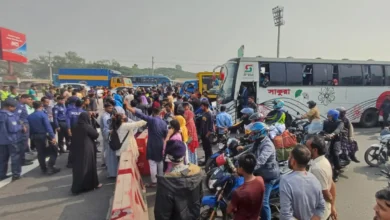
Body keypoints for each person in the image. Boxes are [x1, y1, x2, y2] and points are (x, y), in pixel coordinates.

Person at [236, 122, 279, 220]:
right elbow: (250, 150)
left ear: (261, 133)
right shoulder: (258, 141)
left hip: (268, 176)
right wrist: (236, 157)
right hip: (260, 173)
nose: (252, 134)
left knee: (263, 202)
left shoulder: (268, 145)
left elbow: (260, 162)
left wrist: (244, 170)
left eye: (254, 133)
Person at [154, 140, 203, 220]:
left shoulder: (166, 183)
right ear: (184, 155)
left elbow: (161, 214)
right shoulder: (197, 172)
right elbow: (200, 198)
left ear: (169, 157)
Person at [280, 144, 325, 220]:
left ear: (293, 161)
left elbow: (286, 215)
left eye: (289, 156)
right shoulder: (314, 179)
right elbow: (321, 208)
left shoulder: (285, 181)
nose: (288, 158)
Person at [126, 105, 167, 187]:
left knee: (152, 163)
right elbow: (165, 134)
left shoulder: (152, 120)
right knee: (160, 161)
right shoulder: (164, 122)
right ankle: (161, 179)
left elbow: (140, 115)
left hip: (152, 144)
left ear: (153, 113)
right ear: (160, 113)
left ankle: (154, 182)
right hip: (160, 144)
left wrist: (129, 108)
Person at [306, 136, 338, 220]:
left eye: (307, 147)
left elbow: (326, 193)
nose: (306, 150)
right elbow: (331, 184)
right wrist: (332, 206)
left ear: (315, 150)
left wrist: (331, 205)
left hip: (320, 214)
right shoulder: (323, 160)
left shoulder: (317, 168)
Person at [227, 153, 265, 220]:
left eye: (238, 166)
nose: (237, 167)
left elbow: (229, 210)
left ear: (241, 169)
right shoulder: (260, 180)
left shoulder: (238, 192)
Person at [71, 112, 101, 194]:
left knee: (78, 168)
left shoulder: (75, 125)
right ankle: (90, 185)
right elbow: (95, 135)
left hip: (77, 149)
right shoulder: (87, 126)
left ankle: (78, 187)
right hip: (87, 148)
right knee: (88, 166)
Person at [28, 101, 60, 175]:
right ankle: (50, 167)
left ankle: (43, 168)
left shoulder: (30, 116)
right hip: (44, 135)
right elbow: (48, 126)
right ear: (41, 106)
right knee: (54, 150)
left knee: (40, 153)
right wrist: (53, 137)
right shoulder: (43, 115)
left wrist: (30, 137)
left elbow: (29, 128)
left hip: (35, 136)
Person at [0, 98, 24, 181]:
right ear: (9, 107)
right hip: (12, 140)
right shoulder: (9, 115)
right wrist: (21, 127)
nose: (15, 109)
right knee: (15, 157)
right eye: (14, 107)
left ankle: (1, 174)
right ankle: (16, 174)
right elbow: (13, 128)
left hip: (2, 141)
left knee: (2, 159)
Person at [323, 109, 344, 182]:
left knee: (335, 154)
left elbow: (338, 130)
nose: (328, 117)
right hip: (326, 139)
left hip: (336, 140)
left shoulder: (340, 122)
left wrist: (332, 134)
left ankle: (336, 171)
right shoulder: (325, 122)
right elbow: (322, 129)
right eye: (328, 116)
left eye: (329, 116)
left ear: (334, 116)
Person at [66, 99, 85, 168]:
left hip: (72, 130)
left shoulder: (70, 112)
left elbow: (67, 121)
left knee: (72, 146)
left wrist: (68, 130)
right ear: (82, 105)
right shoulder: (83, 112)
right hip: (81, 131)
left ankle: (70, 162)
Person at [15, 95, 33, 166]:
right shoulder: (19, 106)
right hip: (23, 126)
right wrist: (22, 125)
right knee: (22, 144)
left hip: (25, 124)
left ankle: (23, 158)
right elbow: (17, 117)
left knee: (24, 144)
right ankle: (21, 160)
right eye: (28, 99)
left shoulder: (23, 105)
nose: (30, 101)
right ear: (23, 98)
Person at [199, 101, 214, 165]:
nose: (201, 107)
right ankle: (206, 161)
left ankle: (210, 162)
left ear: (205, 106)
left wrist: (207, 134)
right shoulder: (204, 113)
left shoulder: (209, 114)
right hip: (203, 134)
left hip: (208, 135)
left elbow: (211, 125)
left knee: (209, 149)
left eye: (202, 106)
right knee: (205, 149)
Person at [100, 102, 114, 169]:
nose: (111, 109)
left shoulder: (109, 114)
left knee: (105, 148)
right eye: (109, 108)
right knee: (107, 149)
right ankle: (106, 163)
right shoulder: (105, 116)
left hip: (107, 133)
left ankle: (105, 162)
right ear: (105, 108)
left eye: (111, 108)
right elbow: (106, 126)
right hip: (107, 134)